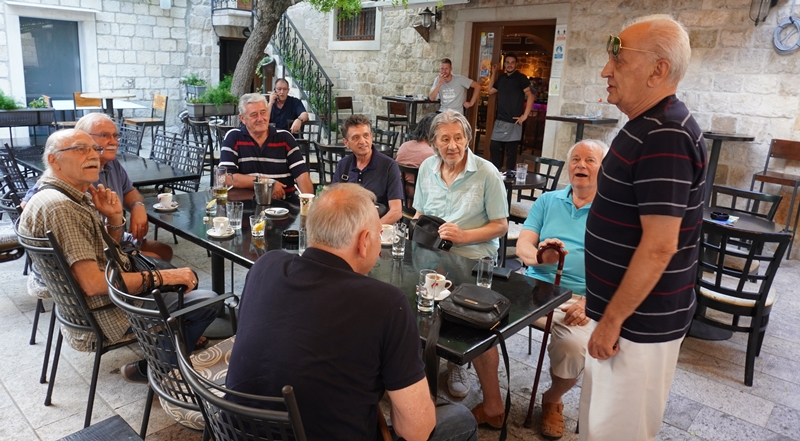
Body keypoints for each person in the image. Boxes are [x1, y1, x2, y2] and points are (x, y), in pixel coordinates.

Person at [225, 183, 478, 441]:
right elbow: (416, 431)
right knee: (461, 419)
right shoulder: (387, 304)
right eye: (379, 234)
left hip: (233, 433)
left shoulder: (265, 265)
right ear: (364, 241)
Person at [580, 15, 706, 441]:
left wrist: (612, 321)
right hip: (623, 319)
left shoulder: (665, 134)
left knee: (618, 431)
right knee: (598, 425)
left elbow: (659, 245)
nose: (606, 70)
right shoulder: (648, 124)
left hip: (638, 326)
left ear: (658, 70)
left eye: (618, 60)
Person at [17, 129, 218, 384]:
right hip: (107, 312)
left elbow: (103, 254)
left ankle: (161, 353)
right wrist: (163, 277)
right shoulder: (61, 207)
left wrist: (113, 219)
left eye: (94, 148)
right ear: (54, 160)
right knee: (207, 301)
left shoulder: (59, 195)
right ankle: (157, 368)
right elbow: (93, 284)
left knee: (176, 275)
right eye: (81, 149)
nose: (94, 155)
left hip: (90, 307)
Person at [469, 140, 608, 438]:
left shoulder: (613, 211)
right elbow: (524, 246)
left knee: (573, 346)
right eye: (575, 159)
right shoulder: (548, 201)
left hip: (580, 298)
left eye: (590, 160)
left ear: (604, 168)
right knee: (479, 319)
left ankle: (553, 399)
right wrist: (540, 257)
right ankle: (493, 404)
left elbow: (618, 269)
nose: (581, 165)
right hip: (534, 288)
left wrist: (592, 303)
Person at [412, 109, 508, 398]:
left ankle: (457, 363)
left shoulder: (487, 173)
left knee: (465, 321)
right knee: (413, 308)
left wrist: (463, 236)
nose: (452, 145)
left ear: (468, 139)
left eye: (458, 138)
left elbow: (501, 225)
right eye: (445, 139)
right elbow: (419, 214)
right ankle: (419, 361)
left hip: (473, 259)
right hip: (432, 255)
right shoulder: (426, 168)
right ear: (434, 142)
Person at [21, 113, 173, 262]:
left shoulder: (112, 164)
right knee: (156, 262)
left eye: (115, 136)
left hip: (114, 237)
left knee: (164, 251)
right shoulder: (71, 174)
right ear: (83, 138)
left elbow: (128, 191)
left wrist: (137, 206)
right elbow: (30, 205)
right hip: (92, 245)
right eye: (104, 135)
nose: (113, 141)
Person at [220, 93, 314, 203]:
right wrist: (265, 183)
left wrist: (309, 205)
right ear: (242, 118)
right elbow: (225, 178)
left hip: (284, 206)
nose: (260, 119)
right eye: (254, 115)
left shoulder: (285, 138)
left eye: (263, 112)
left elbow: (302, 175)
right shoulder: (234, 137)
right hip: (246, 206)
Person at [333, 114, 403, 224]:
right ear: (346, 143)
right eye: (356, 137)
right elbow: (333, 203)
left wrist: (373, 229)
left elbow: (396, 211)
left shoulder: (389, 166)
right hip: (348, 227)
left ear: (371, 137)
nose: (362, 141)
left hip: (379, 227)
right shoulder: (343, 165)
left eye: (366, 135)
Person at [488, 53, 534, 170]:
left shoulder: (521, 78)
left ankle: (509, 176)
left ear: (516, 64)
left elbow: (530, 96)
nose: (510, 65)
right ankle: (497, 173)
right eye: (507, 62)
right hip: (500, 120)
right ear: (505, 64)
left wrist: (525, 116)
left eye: (512, 62)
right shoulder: (502, 78)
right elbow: (490, 90)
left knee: (511, 153)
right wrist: (494, 73)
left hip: (513, 121)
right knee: (494, 147)